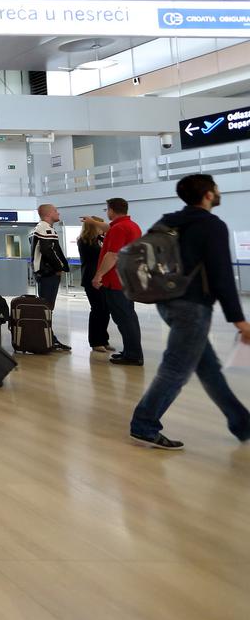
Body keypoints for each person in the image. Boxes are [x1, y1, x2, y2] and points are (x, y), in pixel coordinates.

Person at [129, 174, 250, 450]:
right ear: (208, 194)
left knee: (207, 367)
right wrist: (239, 320)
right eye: (216, 189)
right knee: (176, 369)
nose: (218, 193)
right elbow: (222, 275)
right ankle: (144, 425)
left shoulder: (168, 221)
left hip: (167, 300)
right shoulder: (212, 226)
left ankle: (242, 422)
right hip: (192, 306)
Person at [93, 197, 144, 366]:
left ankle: (133, 355)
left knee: (124, 318)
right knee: (129, 316)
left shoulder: (119, 228)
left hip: (116, 281)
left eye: (107, 210)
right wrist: (92, 221)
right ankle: (132, 350)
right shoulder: (132, 226)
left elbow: (112, 255)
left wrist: (98, 275)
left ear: (111, 210)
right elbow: (108, 228)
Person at [30, 204, 72, 352]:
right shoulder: (45, 228)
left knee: (46, 307)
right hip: (48, 274)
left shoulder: (40, 228)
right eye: (55, 211)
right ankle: (47, 339)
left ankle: (47, 337)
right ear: (48, 214)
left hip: (44, 273)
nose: (58, 213)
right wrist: (60, 267)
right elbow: (48, 250)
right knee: (47, 308)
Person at [76, 216, 115, 355]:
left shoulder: (100, 240)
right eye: (99, 225)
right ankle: (95, 341)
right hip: (91, 278)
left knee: (106, 309)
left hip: (102, 278)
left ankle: (103, 339)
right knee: (98, 309)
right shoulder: (86, 241)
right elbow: (100, 256)